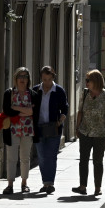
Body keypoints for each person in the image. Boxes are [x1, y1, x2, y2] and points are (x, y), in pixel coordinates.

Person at [73, 70, 105, 197]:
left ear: (96, 81)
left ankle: (98, 187)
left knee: (98, 161)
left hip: (100, 134)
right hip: (85, 132)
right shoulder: (85, 93)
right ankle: (82, 186)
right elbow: (80, 111)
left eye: (88, 81)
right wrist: (77, 128)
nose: (86, 83)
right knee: (83, 160)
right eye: (86, 80)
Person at [31, 65, 69, 194]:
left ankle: (49, 183)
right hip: (39, 128)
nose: (46, 82)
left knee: (51, 156)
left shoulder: (59, 91)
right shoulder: (36, 90)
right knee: (42, 156)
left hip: (54, 128)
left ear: (53, 77)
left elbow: (65, 108)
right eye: (44, 79)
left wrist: (60, 120)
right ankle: (45, 182)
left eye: (48, 79)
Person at [1, 67, 35, 194]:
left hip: (27, 130)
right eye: (20, 76)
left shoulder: (32, 94)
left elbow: (33, 112)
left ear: (28, 79)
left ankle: (24, 183)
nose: (22, 79)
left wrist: (15, 108)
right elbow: (7, 111)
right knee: (11, 157)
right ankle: (10, 184)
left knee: (25, 158)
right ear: (15, 78)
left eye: (25, 76)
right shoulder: (8, 93)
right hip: (12, 130)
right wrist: (25, 111)